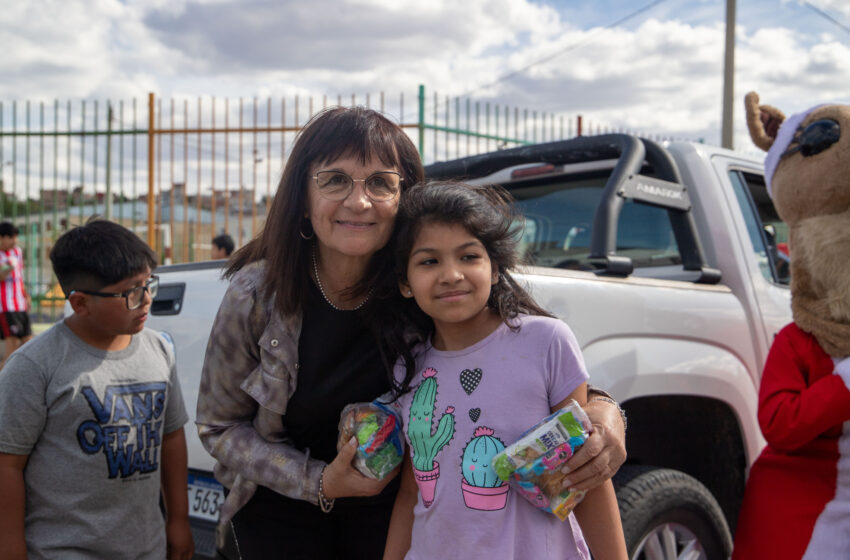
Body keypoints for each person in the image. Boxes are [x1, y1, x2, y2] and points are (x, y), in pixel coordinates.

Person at [196, 106, 628, 559]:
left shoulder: (429, 282)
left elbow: (527, 366)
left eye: (380, 182)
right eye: (334, 180)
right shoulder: (257, 293)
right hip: (282, 511)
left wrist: (605, 417)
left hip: (397, 517)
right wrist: (320, 481)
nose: (358, 202)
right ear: (303, 196)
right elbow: (219, 426)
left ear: (405, 197)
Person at [382, 181, 627, 559]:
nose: (451, 275)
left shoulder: (546, 342)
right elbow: (413, 492)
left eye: (468, 257)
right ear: (404, 283)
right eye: (429, 261)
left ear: (495, 268)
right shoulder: (408, 366)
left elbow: (587, 474)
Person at [0, 219, 194, 560]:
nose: (146, 299)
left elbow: (172, 436)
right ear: (80, 304)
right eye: (130, 293)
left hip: (146, 547)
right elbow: (8, 465)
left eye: (148, 284)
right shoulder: (34, 366)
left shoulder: (159, 350)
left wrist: (178, 520)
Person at [0, 222, 32, 368]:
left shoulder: (17, 252)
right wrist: (8, 268)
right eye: (12, 238)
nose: (15, 241)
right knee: (11, 344)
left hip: (20, 303)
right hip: (6, 305)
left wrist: (26, 295)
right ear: (2, 238)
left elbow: (19, 276)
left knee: (29, 343)